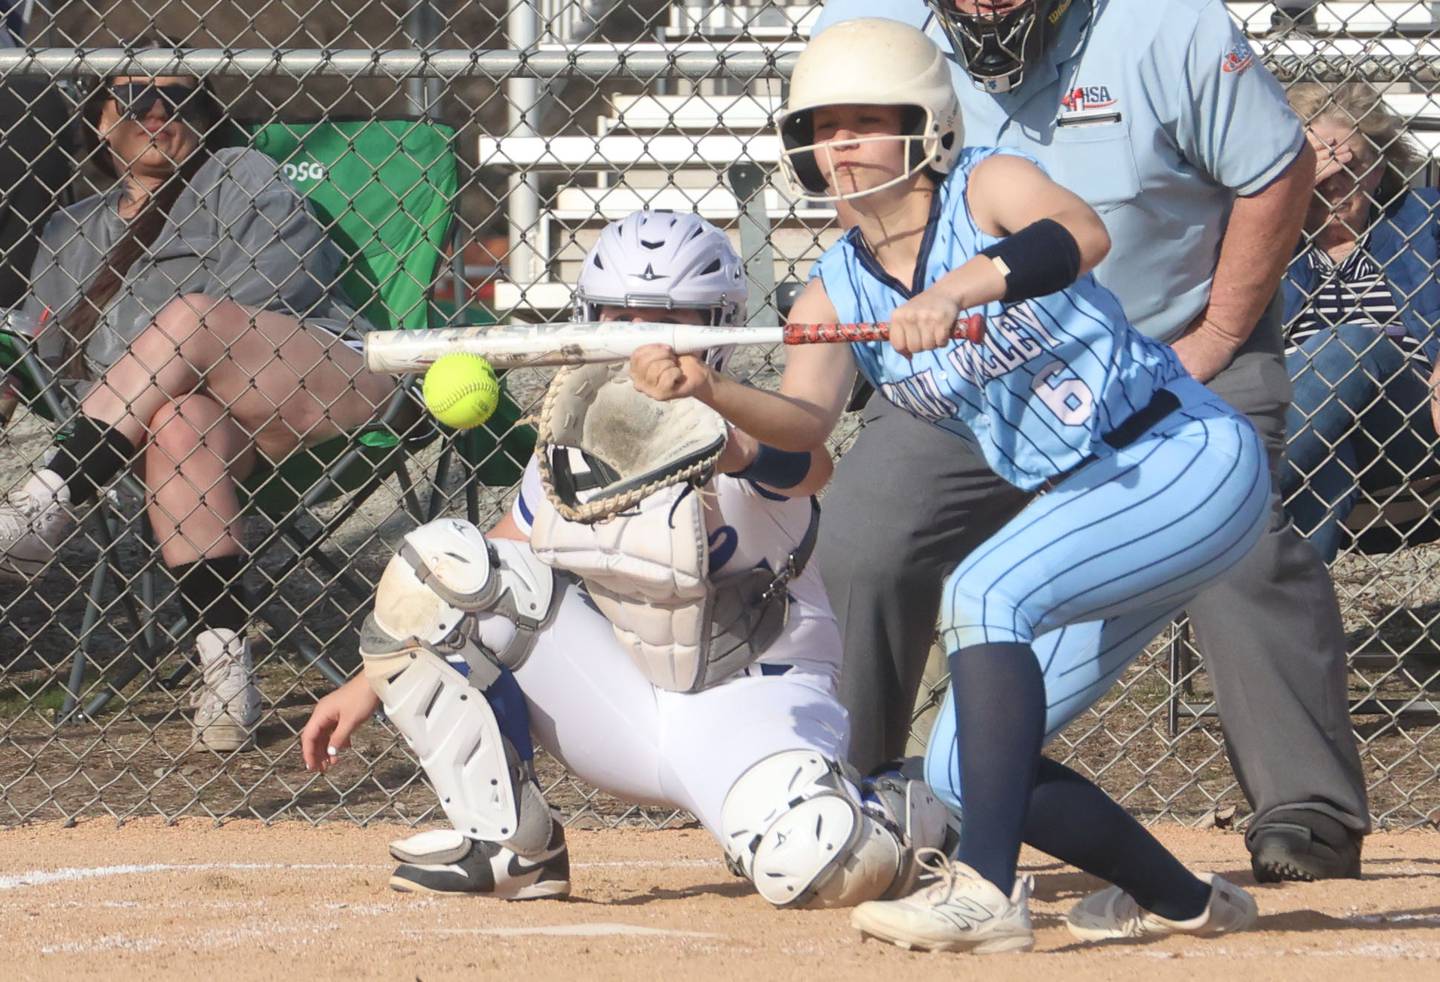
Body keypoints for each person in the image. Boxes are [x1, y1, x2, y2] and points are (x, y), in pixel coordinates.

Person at [630, 21, 1266, 954]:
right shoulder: (834, 293)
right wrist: (711, 396)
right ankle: (1182, 899)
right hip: (1089, 504)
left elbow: (1081, 233)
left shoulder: (988, 185)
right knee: (970, 772)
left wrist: (962, 289)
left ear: (925, 125)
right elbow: (807, 444)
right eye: (821, 126)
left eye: (864, 120)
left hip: (1179, 456)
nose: (839, 143)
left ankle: (986, 895)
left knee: (981, 591)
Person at [810, 0, 1369, 882]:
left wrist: (1219, 335)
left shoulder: (1167, 23)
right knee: (863, 535)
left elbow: (1277, 170)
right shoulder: (868, 26)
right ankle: (852, 805)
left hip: (1174, 340)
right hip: (975, 368)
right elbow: (862, 200)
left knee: (1241, 542)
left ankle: (1306, 807)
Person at [300, 211, 946, 907]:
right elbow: (500, 560)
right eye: (622, 316)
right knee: (440, 565)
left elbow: (807, 466)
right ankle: (511, 847)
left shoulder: (744, 424)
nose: (642, 340)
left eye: (669, 319)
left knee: (824, 868)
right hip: (626, 698)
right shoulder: (576, 435)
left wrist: (724, 432)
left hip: (756, 701)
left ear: (717, 327)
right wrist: (367, 683)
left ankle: (898, 806)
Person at [0, 57, 398, 751]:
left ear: (205, 117)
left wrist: (149, 360)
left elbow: (280, 290)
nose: (158, 112)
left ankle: (46, 501)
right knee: (177, 420)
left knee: (189, 320)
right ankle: (224, 666)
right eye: (136, 96)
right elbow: (39, 347)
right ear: (100, 118)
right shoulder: (71, 229)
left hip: (312, 378)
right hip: (173, 430)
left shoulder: (239, 176)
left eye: (178, 98)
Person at [1279, 82, 1440, 561]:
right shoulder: (1261, 245)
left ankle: (1219, 490)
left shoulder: (1423, 219)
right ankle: (1296, 632)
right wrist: (1286, 208)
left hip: (1407, 421)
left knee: (1349, 343)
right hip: (1301, 432)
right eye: (1314, 166)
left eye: (1349, 165)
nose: (1332, 182)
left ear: (1379, 170)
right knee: (1325, 468)